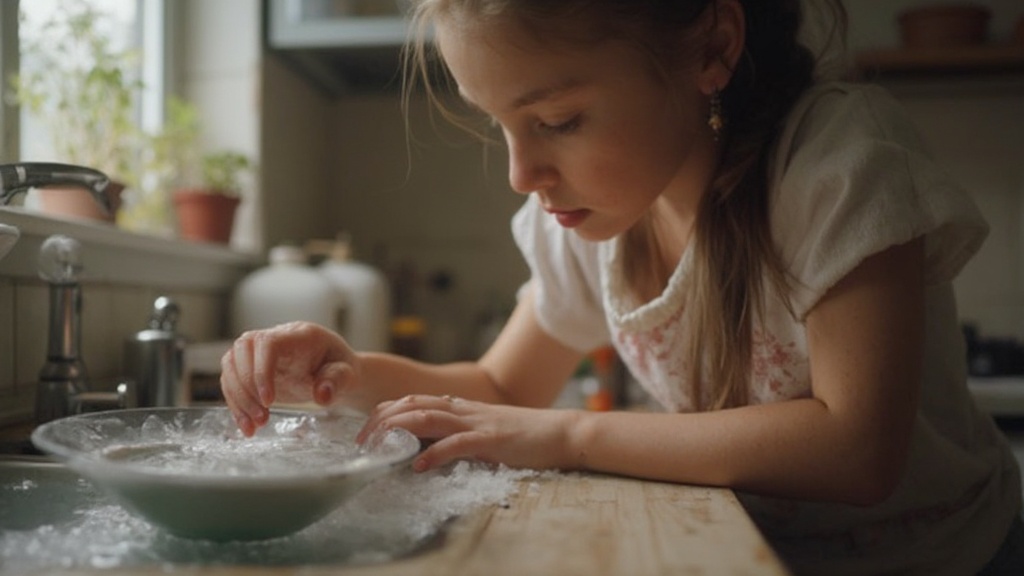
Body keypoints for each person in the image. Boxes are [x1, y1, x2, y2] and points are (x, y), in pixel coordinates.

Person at [220, 1, 1024, 573]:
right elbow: (499, 383)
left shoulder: (832, 163)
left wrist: (565, 433)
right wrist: (341, 373)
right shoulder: (588, 220)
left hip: (950, 557)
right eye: (496, 122)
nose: (519, 174)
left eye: (560, 120)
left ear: (712, 47)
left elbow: (857, 449)